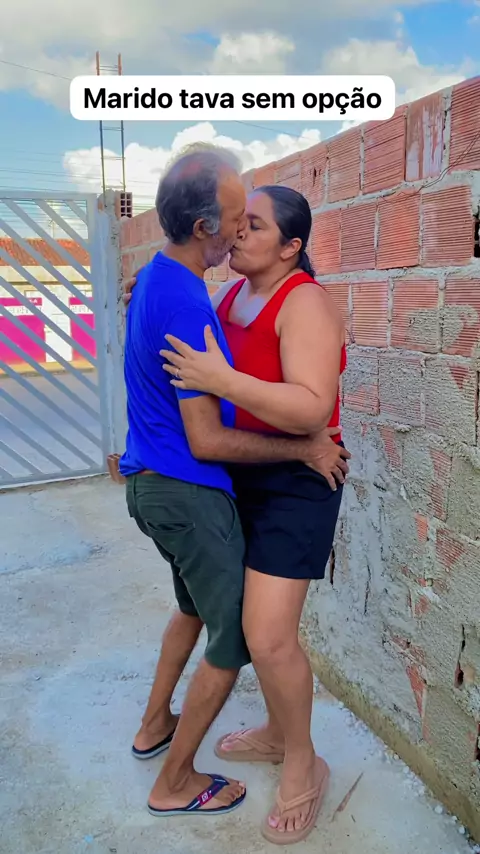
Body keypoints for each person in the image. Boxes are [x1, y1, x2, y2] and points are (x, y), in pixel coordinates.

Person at [119, 144, 350, 833]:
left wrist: (223, 381)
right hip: (241, 476)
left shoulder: (304, 302)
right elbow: (178, 309)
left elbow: (312, 408)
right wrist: (149, 285)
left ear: (290, 247)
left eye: (254, 225)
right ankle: (278, 734)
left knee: (268, 638)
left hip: (297, 480)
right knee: (244, 625)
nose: (238, 232)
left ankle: (303, 762)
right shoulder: (226, 295)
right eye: (236, 221)